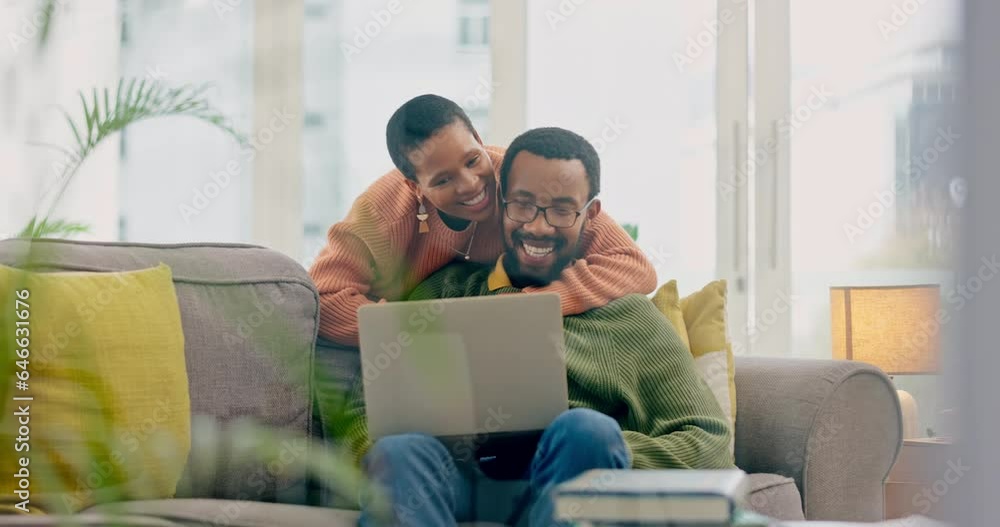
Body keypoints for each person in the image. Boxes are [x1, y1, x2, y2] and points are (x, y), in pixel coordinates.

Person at [341, 127, 734, 526]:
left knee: (586, 430)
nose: (539, 227)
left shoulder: (629, 318)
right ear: (500, 203)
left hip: (567, 483)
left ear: (590, 214)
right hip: (452, 486)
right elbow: (363, 404)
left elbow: (709, 443)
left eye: (562, 210)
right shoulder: (443, 292)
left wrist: (609, 450)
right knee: (400, 452)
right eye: (523, 205)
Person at [308, 94, 657, 346]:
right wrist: (424, 332)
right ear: (414, 185)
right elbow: (323, 299)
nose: (472, 185)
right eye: (443, 180)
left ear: (478, 138)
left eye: (473, 160)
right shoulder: (379, 212)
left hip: (507, 334)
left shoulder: (521, 176)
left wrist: (534, 305)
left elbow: (632, 265)